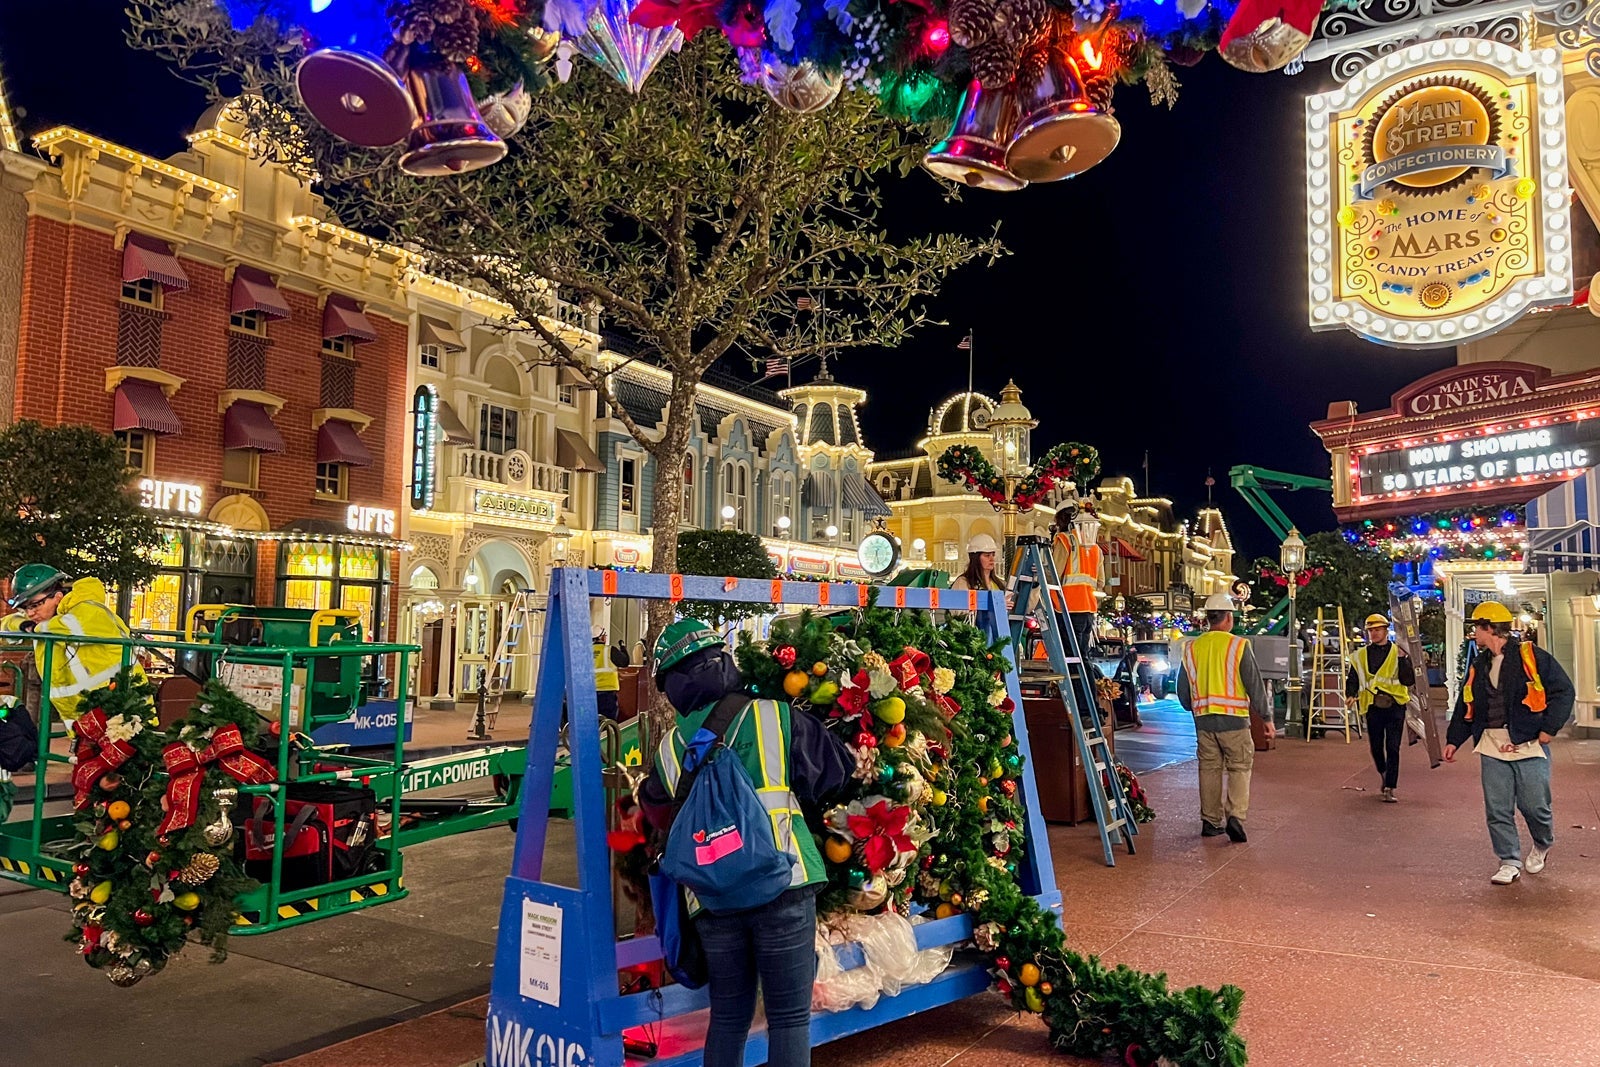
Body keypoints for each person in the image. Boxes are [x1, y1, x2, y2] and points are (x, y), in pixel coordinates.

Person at [639, 620, 853, 1067]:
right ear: (722, 662)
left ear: (671, 684)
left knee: (729, 1017)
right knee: (789, 1018)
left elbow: (658, 814)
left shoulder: (668, 750)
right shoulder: (774, 716)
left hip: (713, 900)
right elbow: (835, 771)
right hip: (784, 881)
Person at [1444, 600, 1573, 885]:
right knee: (1497, 808)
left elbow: (1564, 691)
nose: (1474, 634)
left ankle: (1542, 842)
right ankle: (1509, 859)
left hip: (1528, 743)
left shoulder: (1532, 656)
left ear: (1489, 628)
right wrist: (1454, 740)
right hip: (1491, 744)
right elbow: (1468, 704)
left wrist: (1549, 728)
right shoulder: (1479, 664)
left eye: (1476, 627)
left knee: (1535, 805)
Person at [1177, 591, 1274, 842]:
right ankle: (1235, 817)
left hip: (1203, 721)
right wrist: (1266, 718)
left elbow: (1182, 690)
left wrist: (1193, 706)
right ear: (1229, 618)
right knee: (1240, 767)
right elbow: (1254, 684)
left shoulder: (1191, 647)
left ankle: (1210, 821)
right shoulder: (1239, 645)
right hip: (1234, 722)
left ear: (1209, 618)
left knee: (1209, 769)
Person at [0, 565, 145, 722]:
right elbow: (6, 624)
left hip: (127, 711)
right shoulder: (44, 620)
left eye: (35, 605)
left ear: (57, 596)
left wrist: (34, 628)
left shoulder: (87, 609)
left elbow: (70, 627)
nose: (29, 613)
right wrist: (24, 625)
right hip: (86, 720)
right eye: (24, 607)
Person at [1345, 612, 1415, 803]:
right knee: (1376, 747)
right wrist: (1350, 694)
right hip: (1372, 706)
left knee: (1393, 747)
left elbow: (1408, 680)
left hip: (1395, 706)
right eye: (1371, 630)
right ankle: (1383, 772)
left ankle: (1390, 786)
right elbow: (1353, 677)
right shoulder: (1359, 656)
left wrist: (1402, 659)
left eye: (1377, 630)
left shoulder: (1398, 652)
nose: (1374, 633)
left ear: (1386, 630)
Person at [950, 534, 1016, 614]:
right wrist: (994, 606)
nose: (992, 559)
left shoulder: (1000, 584)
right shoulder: (963, 583)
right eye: (987, 555)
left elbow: (1026, 607)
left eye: (993, 555)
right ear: (976, 558)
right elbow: (958, 611)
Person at [593, 627, 621, 721]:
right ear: (602, 637)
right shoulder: (609, 650)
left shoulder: (586, 651)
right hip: (607, 693)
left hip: (590, 693)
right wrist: (623, 648)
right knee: (608, 723)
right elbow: (624, 662)